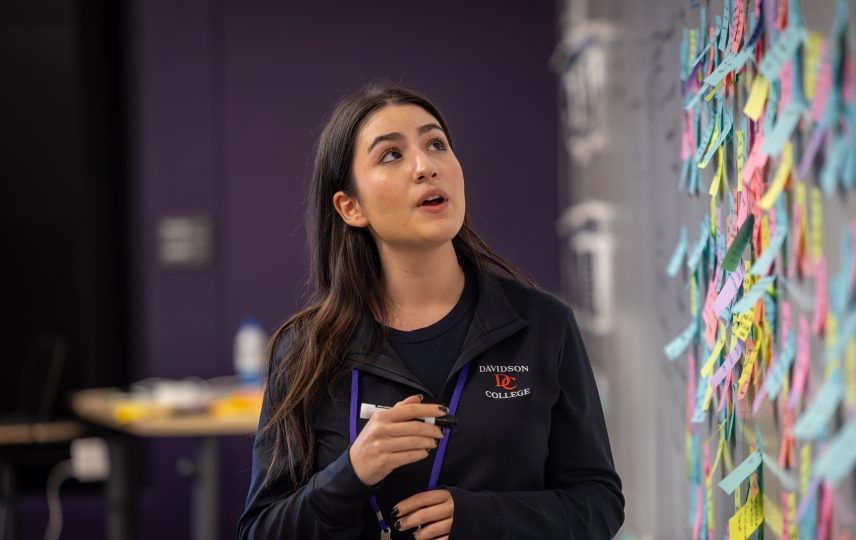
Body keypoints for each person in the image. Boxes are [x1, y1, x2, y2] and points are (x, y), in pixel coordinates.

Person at [238, 82, 624, 540]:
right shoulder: (305, 349)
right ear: (351, 206)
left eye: (436, 144)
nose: (426, 166)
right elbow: (261, 531)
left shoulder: (543, 324)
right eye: (391, 155)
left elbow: (599, 504)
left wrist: (487, 519)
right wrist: (352, 474)